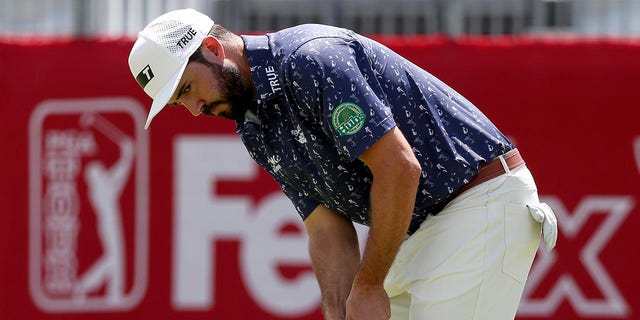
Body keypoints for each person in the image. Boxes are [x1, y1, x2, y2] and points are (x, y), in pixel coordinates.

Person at [128, 8, 557, 320]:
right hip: (419, 231)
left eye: (186, 88)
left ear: (211, 48)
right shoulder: (253, 127)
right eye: (178, 101)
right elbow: (324, 224)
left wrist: (368, 286)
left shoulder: (309, 59)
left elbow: (398, 168)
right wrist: (340, 309)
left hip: (477, 204)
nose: (194, 107)